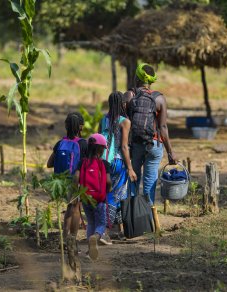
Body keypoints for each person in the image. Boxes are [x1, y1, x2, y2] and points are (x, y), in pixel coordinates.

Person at [123, 63, 177, 205]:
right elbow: (163, 127)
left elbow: (122, 123)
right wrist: (170, 152)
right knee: (149, 184)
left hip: (134, 145)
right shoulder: (159, 99)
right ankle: (147, 220)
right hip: (154, 145)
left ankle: (132, 217)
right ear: (152, 80)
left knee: (133, 180)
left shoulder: (129, 95)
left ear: (137, 78)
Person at [100, 91, 137, 241]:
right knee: (114, 197)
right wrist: (130, 168)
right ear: (123, 104)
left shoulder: (104, 119)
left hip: (104, 162)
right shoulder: (124, 121)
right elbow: (123, 147)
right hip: (118, 162)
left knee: (119, 195)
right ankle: (103, 231)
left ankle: (118, 231)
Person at [47, 112, 87, 239]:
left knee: (70, 207)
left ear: (66, 126)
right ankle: (72, 238)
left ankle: (65, 236)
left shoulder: (60, 143)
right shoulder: (83, 144)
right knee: (75, 209)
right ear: (81, 127)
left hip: (61, 181)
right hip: (75, 180)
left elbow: (49, 164)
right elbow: (85, 165)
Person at [75, 133, 112, 260]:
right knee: (101, 223)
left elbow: (76, 178)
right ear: (100, 150)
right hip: (99, 198)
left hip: (85, 197)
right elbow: (108, 181)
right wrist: (108, 190)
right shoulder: (105, 164)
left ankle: (89, 251)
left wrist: (77, 192)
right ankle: (95, 237)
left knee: (90, 222)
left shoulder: (82, 162)